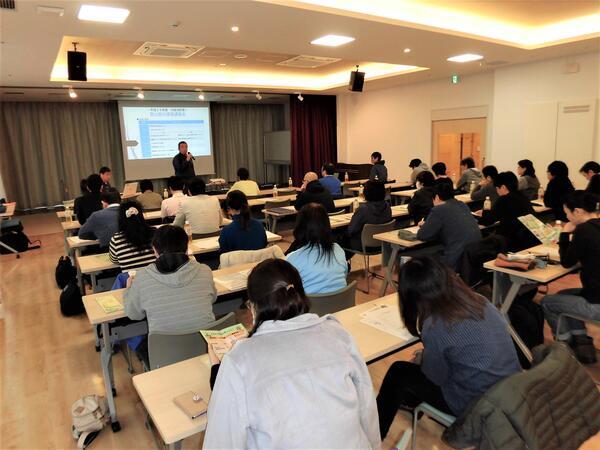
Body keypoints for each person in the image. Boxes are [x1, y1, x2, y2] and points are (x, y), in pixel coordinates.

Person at [203, 258, 380, 449]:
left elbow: (220, 442)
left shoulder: (239, 360)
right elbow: (367, 407)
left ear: (253, 307)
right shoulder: (338, 333)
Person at [376, 257, 520, 439]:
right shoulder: (479, 300)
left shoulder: (435, 324)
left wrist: (425, 359)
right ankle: (409, 400)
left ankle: (374, 435)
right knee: (415, 370)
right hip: (511, 392)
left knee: (398, 372)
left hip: (475, 405)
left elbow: (437, 377)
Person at [124, 225, 216, 354]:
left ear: (154, 250)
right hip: (206, 347)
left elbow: (134, 314)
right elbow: (212, 298)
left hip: (165, 354)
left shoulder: (143, 277)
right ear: (187, 248)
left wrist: (128, 290)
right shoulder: (205, 270)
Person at [541, 191, 600, 364]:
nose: (566, 216)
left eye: (567, 212)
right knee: (563, 296)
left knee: (547, 302)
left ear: (578, 211)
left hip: (597, 302)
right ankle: (582, 344)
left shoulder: (584, 230)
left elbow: (567, 262)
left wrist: (565, 234)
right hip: (595, 292)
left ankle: (564, 347)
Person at [416, 183, 481, 270]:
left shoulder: (439, 209)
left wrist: (425, 225)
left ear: (437, 197)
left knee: (421, 258)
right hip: (474, 257)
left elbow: (422, 235)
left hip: (455, 259)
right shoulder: (462, 205)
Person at [286, 204, 348, 294]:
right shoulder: (338, 250)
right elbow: (344, 275)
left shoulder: (293, 259)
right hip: (343, 305)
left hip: (311, 307)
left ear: (300, 226)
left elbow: (285, 286)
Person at [479, 171, 537, 252]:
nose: (497, 191)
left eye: (497, 188)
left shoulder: (504, 199)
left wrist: (486, 210)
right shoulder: (523, 197)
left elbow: (487, 221)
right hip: (528, 241)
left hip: (511, 242)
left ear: (503, 187)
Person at [344, 180, 392, 255]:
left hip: (361, 245)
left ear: (366, 192)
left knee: (337, 241)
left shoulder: (363, 209)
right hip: (383, 243)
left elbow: (351, 230)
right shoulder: (387, 207)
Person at [108, 200, 156, 270]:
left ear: (121, 218)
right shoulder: (155, 233)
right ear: (141, 216)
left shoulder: (116, 239)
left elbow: (114, 260)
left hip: (132, 279)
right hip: (155, 279)